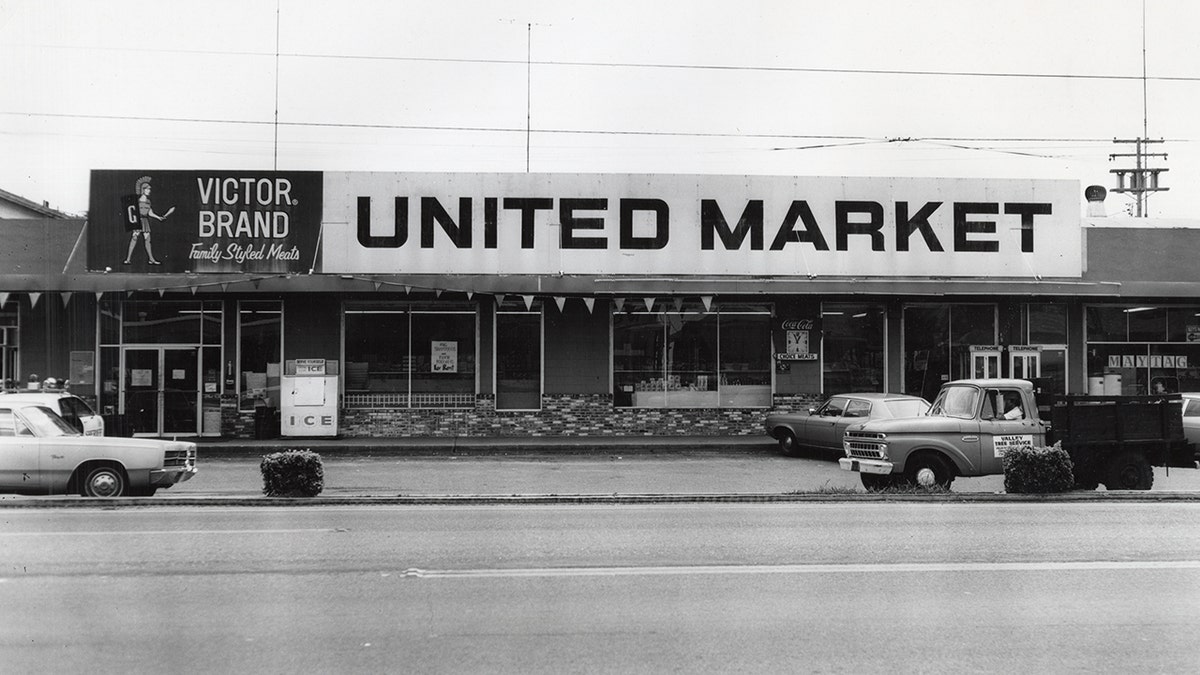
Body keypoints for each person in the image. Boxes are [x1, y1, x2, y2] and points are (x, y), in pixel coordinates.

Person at [123, 176, 172, 265]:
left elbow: (150, 213)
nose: (149, 191)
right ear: (143, 190)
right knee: (134, 238)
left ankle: (151, 259)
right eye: (147, 189)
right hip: (138, 221)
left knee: (147, 240)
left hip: (145, 221)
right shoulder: (137, 201)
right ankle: (128, 259)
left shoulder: (148, 201)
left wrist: (158, 217)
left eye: (149, 189)